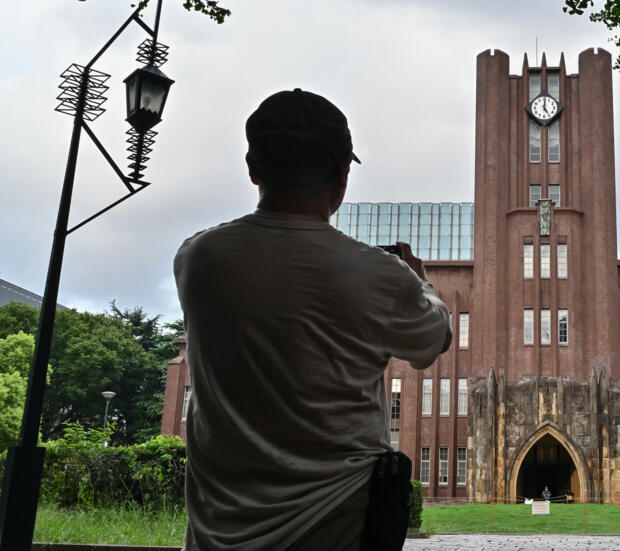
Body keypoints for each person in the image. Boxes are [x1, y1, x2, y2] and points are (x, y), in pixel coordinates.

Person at [174, 88, 452, 550]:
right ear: (342, 172)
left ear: (253, 167)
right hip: (336, 529)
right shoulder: (378, 275)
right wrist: (421, 282)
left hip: (216, 534)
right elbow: (434, 341)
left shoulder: (198, 257)